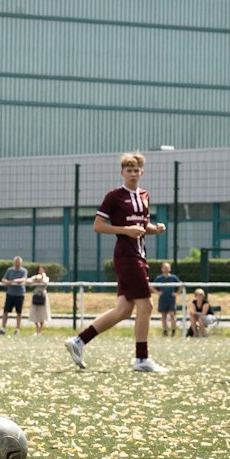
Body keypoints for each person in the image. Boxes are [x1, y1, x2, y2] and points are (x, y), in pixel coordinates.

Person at [66, 151, 169, 373]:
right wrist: (125, 230)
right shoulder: (114, 196)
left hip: (139, 255)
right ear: (122, 173)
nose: (133, 174)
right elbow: (98, 225)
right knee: (147, 305)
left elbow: (142, 227)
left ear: (142, 172)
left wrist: (155, 229)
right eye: (129, 170)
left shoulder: (144, 196)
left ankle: (79, 341)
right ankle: (141, 359)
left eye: (136, 170)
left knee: (123, 310)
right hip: (126, 257)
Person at [153, 261, 182, 337]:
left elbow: (181, 285)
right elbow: (151, 286)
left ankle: (173, 331)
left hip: (171, 299)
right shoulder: (159, 278)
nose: (166, 269)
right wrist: (157, 292)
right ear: (162, 269)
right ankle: (165, 331)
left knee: (172, 315)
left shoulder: (173, 277)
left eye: (167, 268)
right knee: (163, 316)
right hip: (163, 299)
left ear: (170, 269)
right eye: (164, 268)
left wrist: (177, 293)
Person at [0, 257, 28, 335]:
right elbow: (3, 279)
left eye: (18, 262)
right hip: (10, 294)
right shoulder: (10, 270)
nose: (17, 264)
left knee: (18, 312)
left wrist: (14, 281)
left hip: (19, 294)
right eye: (16, 262)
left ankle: (17, 329)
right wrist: (7, 282)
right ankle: (3, 328)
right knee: (6, 311)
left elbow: (23, 279)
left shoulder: (24, 271)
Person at [29, 269, 51, 335]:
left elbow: (45, 282)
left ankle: (39, 331)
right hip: (36, 295)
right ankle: (37, 327)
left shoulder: (46, 277)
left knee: (42, 314)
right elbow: (29, 281)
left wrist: (42, 278)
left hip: (43, 296)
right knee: (33, 313)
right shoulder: (35, 276)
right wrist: (35, 279)